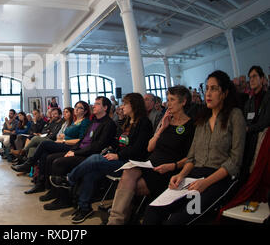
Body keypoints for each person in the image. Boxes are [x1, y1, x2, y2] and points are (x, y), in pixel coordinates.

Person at [142, 70, 246, 225]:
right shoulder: (203, 120)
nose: (208, 93)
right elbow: (192, 157)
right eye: (207, 88)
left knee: (180, 218)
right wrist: (181, 175)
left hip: (218, 179)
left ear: (224, 93)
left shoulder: (234, 115)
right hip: (194, 175)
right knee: (153, 209)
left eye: (214, 89)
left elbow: (234, 161)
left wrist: (206, 183)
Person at [50, 93, 153, 222]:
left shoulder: (144, 122)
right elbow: (121, 142)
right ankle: (84, 207)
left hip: (131, 163)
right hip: (120, 158)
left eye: (125, 104)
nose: (122, 106)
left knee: (94, 158)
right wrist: (113, 150)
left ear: (134, 105)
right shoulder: (127, 122)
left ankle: (69, 179)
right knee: (90, 173)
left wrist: (118, 155)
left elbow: (139, 148)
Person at [107, 86, 195, 225]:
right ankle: (116, 221)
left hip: (167, 169)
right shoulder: (166, 121)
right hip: (149, 163)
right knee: (129, 172)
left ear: (183, 102)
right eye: (168, 99)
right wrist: (161, 130)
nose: (168, 103)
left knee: (128, 188)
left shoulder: (191, 125)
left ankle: (117, 220)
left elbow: (192, 157)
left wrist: (173, 166)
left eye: (172, 100)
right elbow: (150, 147)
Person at [42, 96, 117, 211]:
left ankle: (64, 200)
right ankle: (55, 192)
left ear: (105, 107)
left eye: (97, 104)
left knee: (58, 162)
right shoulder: (94, 121)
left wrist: (76, 152)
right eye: (94, 103)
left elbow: (97, 146)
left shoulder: (108, 124)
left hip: (89, 155)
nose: (93, 105)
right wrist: (72, 150)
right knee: (51, 157)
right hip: (80, 151)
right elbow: (82, 140)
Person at [12, 103, 90, 194]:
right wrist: (62, 137)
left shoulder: (85, 122)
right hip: (63, 142)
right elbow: (67, 134)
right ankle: (41, 184)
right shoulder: (74, 121)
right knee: (44, 154)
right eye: (76, 107)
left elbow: (81, 140)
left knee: (44, 143)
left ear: (85, 111)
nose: (76, 109)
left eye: (80, 108)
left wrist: (64, 141)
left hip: (71, 146)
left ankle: (29, 164)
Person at [240, 66, 270, 183]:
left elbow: (266, 121)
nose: (251, 80)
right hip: (249, 135)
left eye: (254, 76)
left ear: (262, 79)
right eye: (250, 77)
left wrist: (249, 128)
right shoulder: (249, 102)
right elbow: (244, 120)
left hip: (262, 135)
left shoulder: (268, 97)